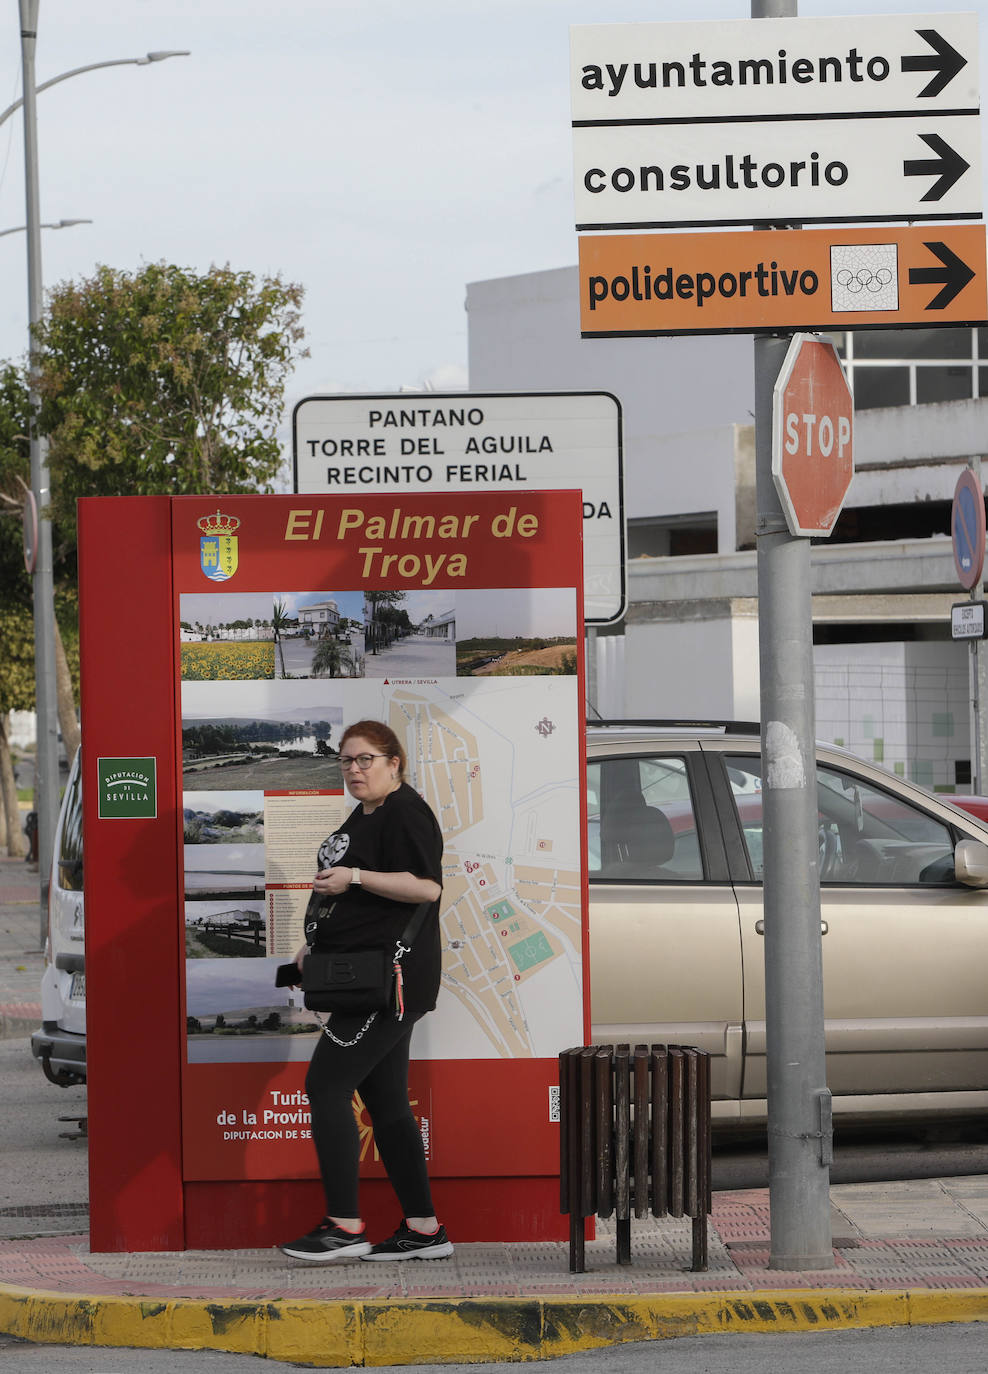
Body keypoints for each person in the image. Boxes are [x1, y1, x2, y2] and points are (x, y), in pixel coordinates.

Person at [279, 719, 452, 1263]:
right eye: (346, 761)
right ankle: (424, 1230)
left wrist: (354, 876)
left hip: (388, 983)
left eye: (365, 760)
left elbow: (426, 887)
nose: (353, 769)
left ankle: (344, 1226)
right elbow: (354, 899)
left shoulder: (405, 812)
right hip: (370, 977)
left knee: (325, 1087)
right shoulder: (368, 812)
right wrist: (314, 945)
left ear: (393, 763)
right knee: (387, 1102)